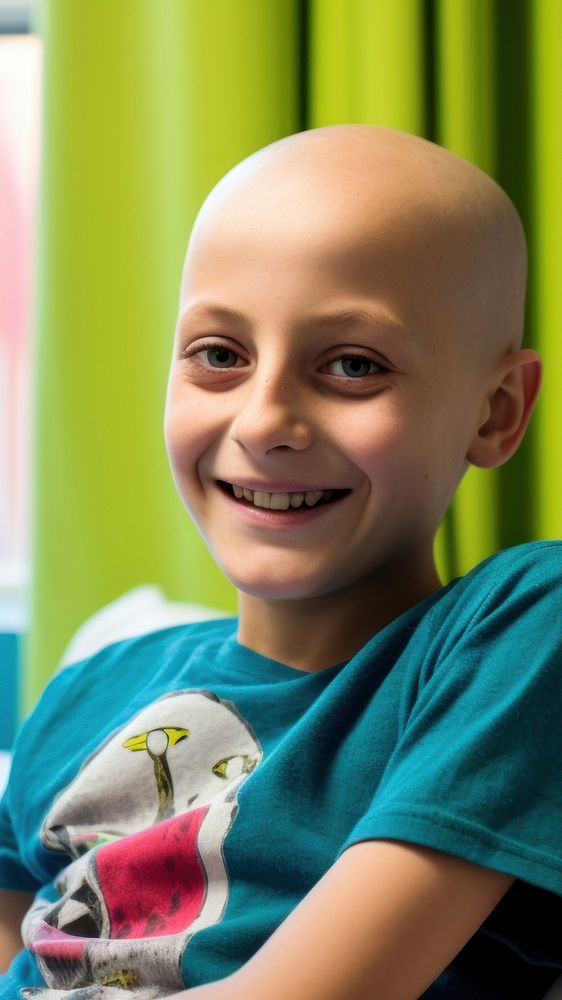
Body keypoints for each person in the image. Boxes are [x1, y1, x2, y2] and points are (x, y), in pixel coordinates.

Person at [0, 123, 561, 1000]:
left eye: (351, 365)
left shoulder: (517, 630)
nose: (263, 422)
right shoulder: (88, 690)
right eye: (219, 356)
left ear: (495, 413)